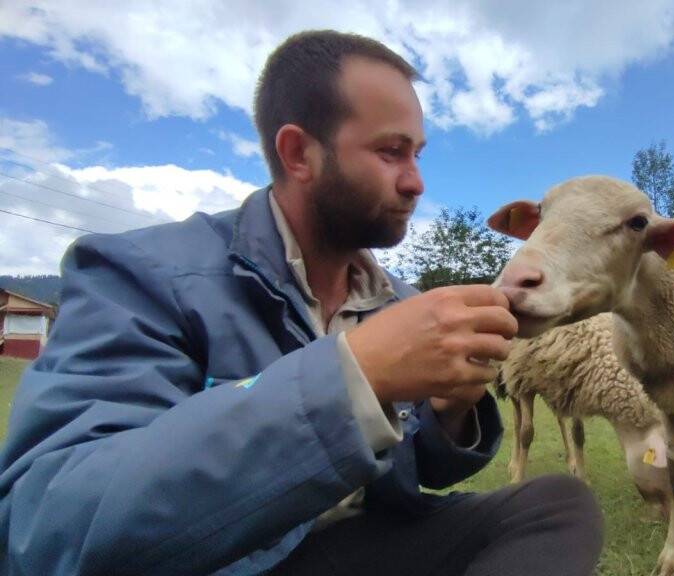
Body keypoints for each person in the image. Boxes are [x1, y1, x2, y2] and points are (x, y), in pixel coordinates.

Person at [0, 30, 603, 576]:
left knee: (556, 505)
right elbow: (48, 525)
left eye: (418, 153)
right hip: (228, 561)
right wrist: (355, 375)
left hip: (345, 548)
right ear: (298, 154)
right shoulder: (141, 274)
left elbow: (406, 479)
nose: (417, 181)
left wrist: (447, 411)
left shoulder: (395, 299)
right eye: (392, 152)